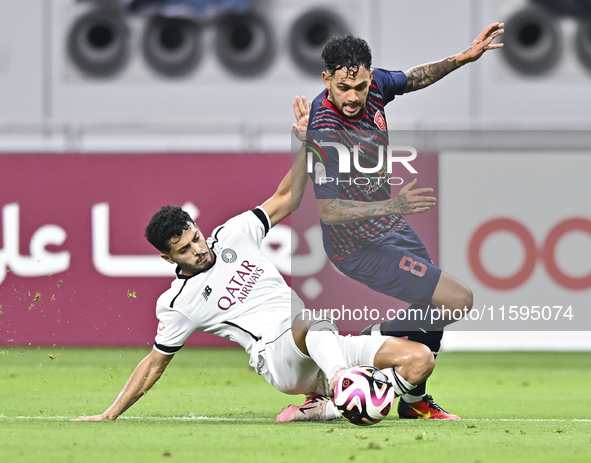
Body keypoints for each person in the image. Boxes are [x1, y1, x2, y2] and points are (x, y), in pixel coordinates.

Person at [73, 97, 435, 423]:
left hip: (319, 340)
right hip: (279, 356)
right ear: (167, 258)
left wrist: (308, 145)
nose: (198, 249)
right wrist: (110, 414)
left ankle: (325, 406)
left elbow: (285, 199)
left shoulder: (233, 234)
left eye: (195, 238)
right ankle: (344, 383)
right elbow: (154, 363)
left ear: (198, 228)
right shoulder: (178, 302)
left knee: (421, 360)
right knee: (309, 320)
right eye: (184, 250)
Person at [297, 23, 504, 420]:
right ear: (327, 80)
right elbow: (329, 211)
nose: (353, 97)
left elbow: (415, 77)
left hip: (389, 230)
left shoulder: (375, 88)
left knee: (433, 302)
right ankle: (358, 349)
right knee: (457, 300)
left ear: (369, 76)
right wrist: (394, 207)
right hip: (356, 246)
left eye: (359, 87)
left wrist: (462, 58)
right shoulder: (324, 131)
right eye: (343, 89)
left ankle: (413, 401)